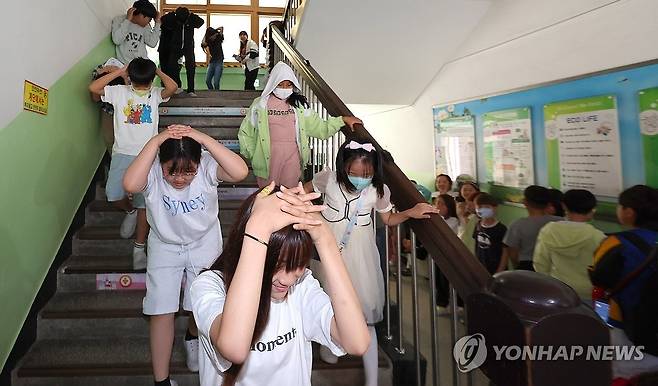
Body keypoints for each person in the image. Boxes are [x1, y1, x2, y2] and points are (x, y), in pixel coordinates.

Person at [190, 183, 370, 386]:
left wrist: (325, 240)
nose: (287, 279)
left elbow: (358, 342)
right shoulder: (209, 285)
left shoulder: (301, 287)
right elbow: (234, 347)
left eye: (298, 265)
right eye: (279, 265)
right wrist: (258, 227)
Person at [306, 139, 439, 386]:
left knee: (363, 312)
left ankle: (372, 380)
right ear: (343, 167)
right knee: (328, 301)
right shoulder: (328, 179)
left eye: (365, 174)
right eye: (353, 173)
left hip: (362, 257)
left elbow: (388, 219)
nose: (359, 178)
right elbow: (303, 193)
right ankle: (331, 346)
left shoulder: (378, 190)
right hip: (329, 252)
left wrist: (411, 212)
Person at [123, 125, 249, 386]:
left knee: (202, 304)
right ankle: (162, 381)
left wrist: (201, 138)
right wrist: (157, 140)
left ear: (198, 162)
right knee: (161, 310)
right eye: (172, 171)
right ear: (161, 163)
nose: (180, 178)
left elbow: (240, 171)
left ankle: (192, 336)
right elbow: (130, 183)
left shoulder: (206, 167)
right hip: (164, 246)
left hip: (203, 242)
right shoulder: (153, 173)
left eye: (188, 171)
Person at [89, 58, 178, 269]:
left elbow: (173, 87)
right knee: (113, 195)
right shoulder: (120, 92)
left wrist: (155, 69)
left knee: (143, 203)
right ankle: (128, 211)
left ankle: (139, 247)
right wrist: (121, 71)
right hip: (122, 154)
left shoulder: (155, 94)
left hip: (148, 156)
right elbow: (94, 87)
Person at [238, 61, 362, 188]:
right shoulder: (259, 105)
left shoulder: (300, 106)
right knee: (267, 195)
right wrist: (253, 155)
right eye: (280, 84)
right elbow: (245, 132)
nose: (284, 88)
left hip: (292, 156)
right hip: (266, 158)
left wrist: (342, 120)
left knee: (290, 193)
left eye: (288, 85)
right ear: (273, 83)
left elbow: (321, 128)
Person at [589, 185, 658, 380]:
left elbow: (600, 281)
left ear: (629, 212)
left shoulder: (616, 243)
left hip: (627, 324)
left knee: (626, 374)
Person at [533, 189, 605, 302]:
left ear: (564, 206)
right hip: (588, 293)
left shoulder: (549, 230)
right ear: (592, 210)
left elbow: (540, 263)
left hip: (558, 289)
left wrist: (550, 283)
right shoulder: (598, 237)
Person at [502, 185, 562, 271]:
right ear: (548, 204)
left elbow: (513, 253)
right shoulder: (560, 221)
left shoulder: (517, 225)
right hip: (553, 265)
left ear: (525, 202)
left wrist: (518, 267)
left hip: (527, 266)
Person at [159, 7, 205, 96]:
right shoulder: (174, 19)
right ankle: (176, 87)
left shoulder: (190, 19)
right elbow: (163, 19)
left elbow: (201, 22)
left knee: (191, 68)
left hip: (188, 47)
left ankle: (191, 90)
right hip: (175, 47)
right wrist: (173, 14)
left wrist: (191, 15)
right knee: (173, 67)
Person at [111, 1, 160, 65]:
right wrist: (127, 21)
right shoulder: (119, 20)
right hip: (125, 65)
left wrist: (158, 23)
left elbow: (152, 43)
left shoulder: (145, 26)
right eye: (149, 19)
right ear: (141, 15)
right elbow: (117, 40)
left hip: (142, 64)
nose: (149, 22)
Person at [473, 193, 507, 274]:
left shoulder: (501, 229)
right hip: (482, 268)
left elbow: (505, 252)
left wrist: (500, 270)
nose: (483, 209)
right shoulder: (478, 225)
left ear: (495, 208)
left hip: (496, 269)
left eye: (487, 207)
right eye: (480, 207)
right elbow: (476, 246)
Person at [202, 26, 224, 90]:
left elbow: (221, 28)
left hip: (219, 62)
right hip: (212, 62)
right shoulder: (208, 41)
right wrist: (208, 34)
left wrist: (215, 30)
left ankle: (216, 95)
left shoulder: (218, 38)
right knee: (208, 81)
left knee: (216, 82)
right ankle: (212, 93)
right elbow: (203, 43)